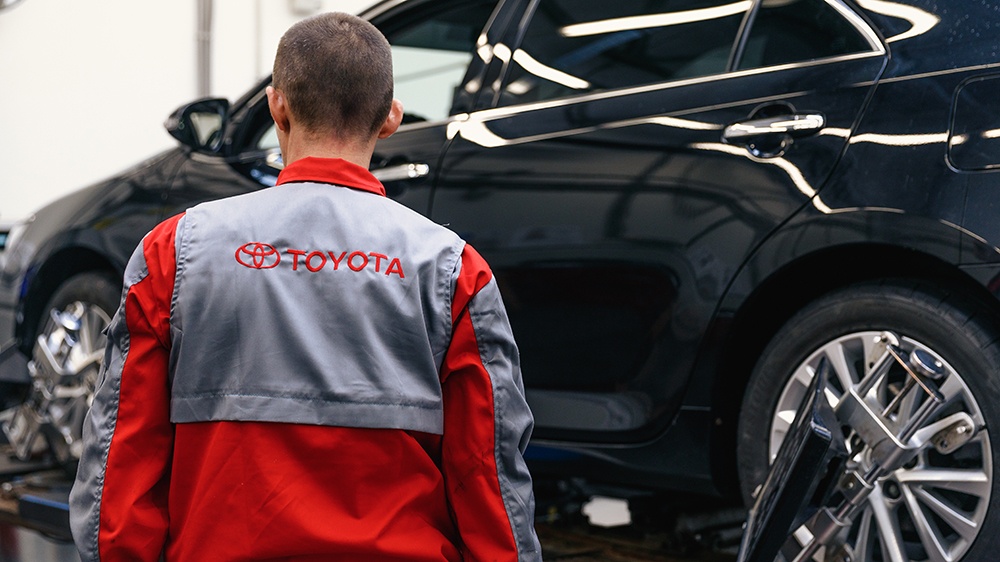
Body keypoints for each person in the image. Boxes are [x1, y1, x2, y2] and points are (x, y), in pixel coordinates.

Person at [69, 12, 540, 562]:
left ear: (277, 107)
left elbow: (120, 456)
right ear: (390, 117)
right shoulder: (452, 271)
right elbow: (489, 472)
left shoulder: (174, 252)